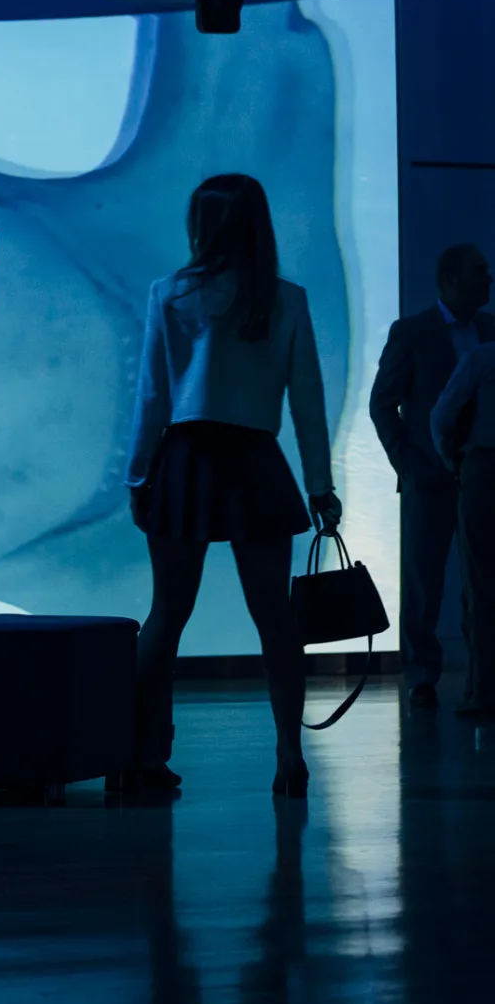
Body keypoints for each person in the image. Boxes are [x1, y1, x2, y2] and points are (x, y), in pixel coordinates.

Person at [125, 174, 340, 798]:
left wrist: (139, 475)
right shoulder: (286, 299)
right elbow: (307, 403)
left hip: (185, 460)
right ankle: (289, 755)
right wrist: (320, 485)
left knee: (166, 615)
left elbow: (153, 398)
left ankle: (143, 755)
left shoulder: (169, 295)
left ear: (201, 223)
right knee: (275, 618)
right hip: (256, 460)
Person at [369, 243, 495, 708]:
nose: (489, 279)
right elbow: (383, 403)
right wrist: (410, 464)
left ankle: (480, 679)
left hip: (481, 477)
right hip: (431, 476)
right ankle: (422, 675)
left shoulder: (489, 330)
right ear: (450, 279)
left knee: (481, 581)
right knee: (425, 579)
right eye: (479, 271)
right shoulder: (413, 332)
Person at [430, 329, 495, 719]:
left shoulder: (482, 358)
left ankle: (484, 692)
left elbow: (441, 416)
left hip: (484, 471)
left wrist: (455, 462)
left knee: (483, 586)